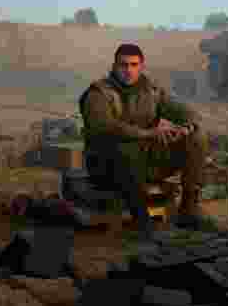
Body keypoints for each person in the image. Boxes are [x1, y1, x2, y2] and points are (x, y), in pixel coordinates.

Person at [79, 43, 213, 239]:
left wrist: (187, 127)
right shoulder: (98, 94)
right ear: (114, 66)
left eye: (134, 65)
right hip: (107, 165)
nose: (128, 70)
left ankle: (189, 210)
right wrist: (149, 134)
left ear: (141, 66)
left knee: (197, 138)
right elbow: (108, 128)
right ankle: (142, 220)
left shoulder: (151, 90)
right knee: (124, 149)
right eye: (123, 65)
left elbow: (185, 112)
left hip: (146, 161)